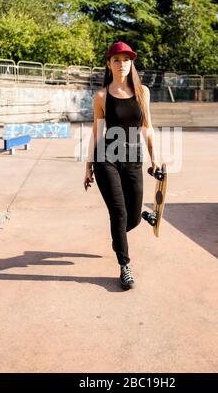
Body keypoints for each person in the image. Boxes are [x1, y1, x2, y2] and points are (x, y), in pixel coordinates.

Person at [83, 41, 160, 290]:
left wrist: (154, 158)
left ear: (131, 63)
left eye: (126, 59)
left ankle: (134, 222)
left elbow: (147, 128)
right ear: (109, 64)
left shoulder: (142, 92)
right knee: (117, 213)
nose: (122, 64)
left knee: (132, 218)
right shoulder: (102, 96)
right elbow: (96, 132)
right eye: (116, 60)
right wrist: (88, 165)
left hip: (134, 160)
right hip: (106, 160)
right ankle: (125, 265)